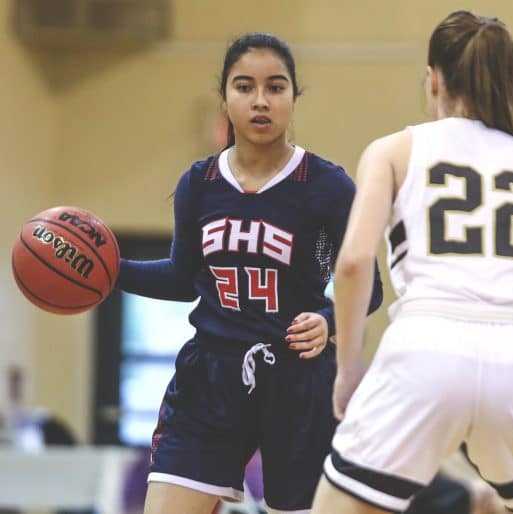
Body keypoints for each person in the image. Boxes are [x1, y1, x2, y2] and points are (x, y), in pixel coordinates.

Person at [310, 10, 513, 514]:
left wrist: (348, 368)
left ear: (434, 79)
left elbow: (353, 262)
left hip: (425, 349)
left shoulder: (394, 151)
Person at [116, 32, 383, 514]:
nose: (261, 101)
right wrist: (110, 271)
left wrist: (329, 319)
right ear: (225, 97)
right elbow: (182, 277)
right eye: (245, 87)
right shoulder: (200, 184)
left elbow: (369, 287)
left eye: (276, 87)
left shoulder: (327, 185)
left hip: (297, 381)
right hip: (210, 377)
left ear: (294, 98)